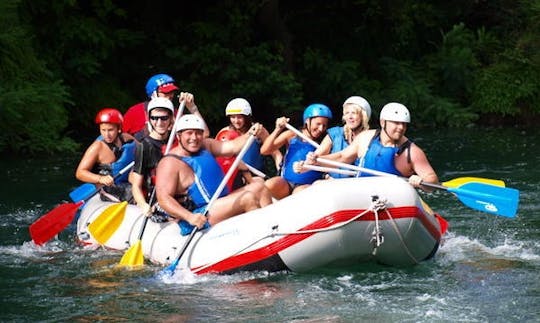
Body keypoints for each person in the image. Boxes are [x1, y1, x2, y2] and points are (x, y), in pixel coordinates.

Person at [155, 114, 273, 235]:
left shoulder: (206, 145)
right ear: (178, 136)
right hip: (197, 215)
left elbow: (232, 147)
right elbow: (164, 198)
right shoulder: (169, 163)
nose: (194, 137)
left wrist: (250, 134)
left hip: (219, 202)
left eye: (198, 133)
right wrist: (189, 217)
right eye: (189, 133)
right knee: (247, 198)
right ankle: (261, 236)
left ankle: (273, 227)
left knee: (259, 186)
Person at [303, 102, 439, 191]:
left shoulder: (412, 152)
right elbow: (343, 157)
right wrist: (318, 160)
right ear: (383, 122)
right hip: (362, 195)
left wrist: (421, 181)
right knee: (318, 185)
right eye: (396, 123)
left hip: (393, 202)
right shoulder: (366, 138)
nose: (401, 128)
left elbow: (432, 180)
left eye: (403, 124)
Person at [261, 103, 332, 199]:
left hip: (307, 185)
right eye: (318, 124)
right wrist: (278, 129)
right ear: (307, 121)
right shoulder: (292, 135)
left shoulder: (325, 142)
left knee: (298, 195)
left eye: (324, 125)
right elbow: (265, 150)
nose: (321, 129)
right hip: (286, 183)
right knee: (268, 185)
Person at [75, 108, 137, 201]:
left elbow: (143, 151)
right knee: (132, 191)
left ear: (119, 128)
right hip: (107, 188)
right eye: (103, 130)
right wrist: (100, 178)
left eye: (110, 130)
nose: (107, 134)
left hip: (127, 182)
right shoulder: (97, 147)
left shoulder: (126, 139)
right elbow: (80, 173)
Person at [129, 97, 175, 214]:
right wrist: (143, 204)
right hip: (156, 197)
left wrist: (192, 108)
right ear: (149, 119)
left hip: (177, 193)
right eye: (154, 118)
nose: (159, 123)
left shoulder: (177, 139)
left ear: (171, 119)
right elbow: (136, 185)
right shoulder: (144, 146)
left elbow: (204, 134)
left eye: (164, 118)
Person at [217, 98, 283, 177]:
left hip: (256, 175)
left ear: (247, 117)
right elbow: (215, 155)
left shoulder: (259, 131)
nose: (236, 121)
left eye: (239, 117)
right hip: (233, 176)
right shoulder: (225, 132)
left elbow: (276, 154)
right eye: (233, 117)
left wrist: (281, 172)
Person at [314, 96, 372, 179]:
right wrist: (310, 161)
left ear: (363, 116)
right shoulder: (335, 134)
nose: (350, 117)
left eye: (354, 113)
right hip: (332, 181)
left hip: (357, 184)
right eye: (347, 113)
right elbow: (316, 157)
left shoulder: (370, 138)